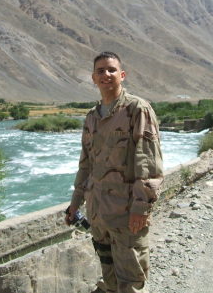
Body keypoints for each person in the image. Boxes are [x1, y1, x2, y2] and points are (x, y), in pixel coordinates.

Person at [66, 51, 163, 293]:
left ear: (122, 75)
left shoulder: (137, 109)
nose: (106, 75)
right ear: (93, 78)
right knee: (109, 280)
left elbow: (148, 162)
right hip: (98, 214)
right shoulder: (91, 117)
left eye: (111, 70)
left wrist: (141, 208)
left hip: (127, 215)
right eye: (100, 71)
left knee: (130, 283)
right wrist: (75, 203)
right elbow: (85, 163)